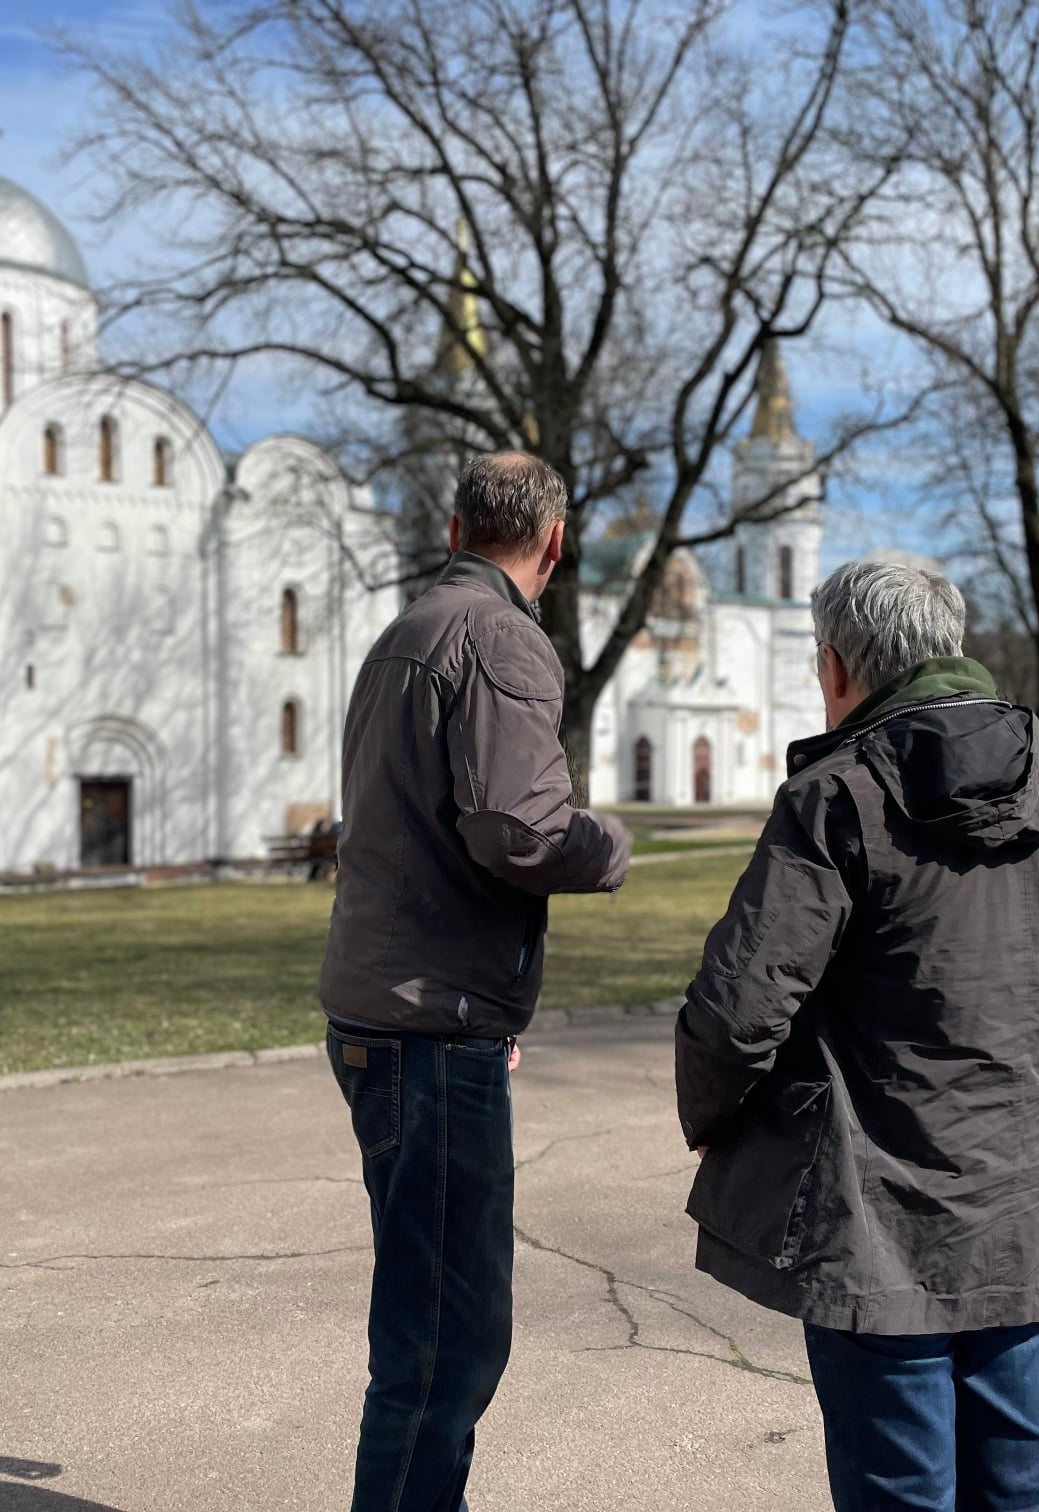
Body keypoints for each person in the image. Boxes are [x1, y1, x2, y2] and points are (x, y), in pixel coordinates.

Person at [674, 560, 1039, 1512]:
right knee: (1013, 1481)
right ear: (949, 646)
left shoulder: (837, 798)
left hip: (880, 1214)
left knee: (902, 1492)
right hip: (1020, 1194)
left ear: (834, 667)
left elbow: (739, 1006)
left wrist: (708, 1115)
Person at [319, 451, 631, 1512]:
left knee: (424, 1320)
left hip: (386, 1008)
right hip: (428, 1024)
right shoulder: (500, 636)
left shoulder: (403, 634)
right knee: (448, 1340)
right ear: (552, 544)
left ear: (455, 528)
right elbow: (518, 830)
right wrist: (609, 846)